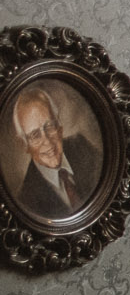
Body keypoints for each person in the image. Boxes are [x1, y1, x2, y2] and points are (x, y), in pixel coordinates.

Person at [9, 86, 100, 223]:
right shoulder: (26, 199)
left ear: (59, 125)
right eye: (35, 135)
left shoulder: (82, 146)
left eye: (49, 126)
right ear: (25, 145)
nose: (47, 141)